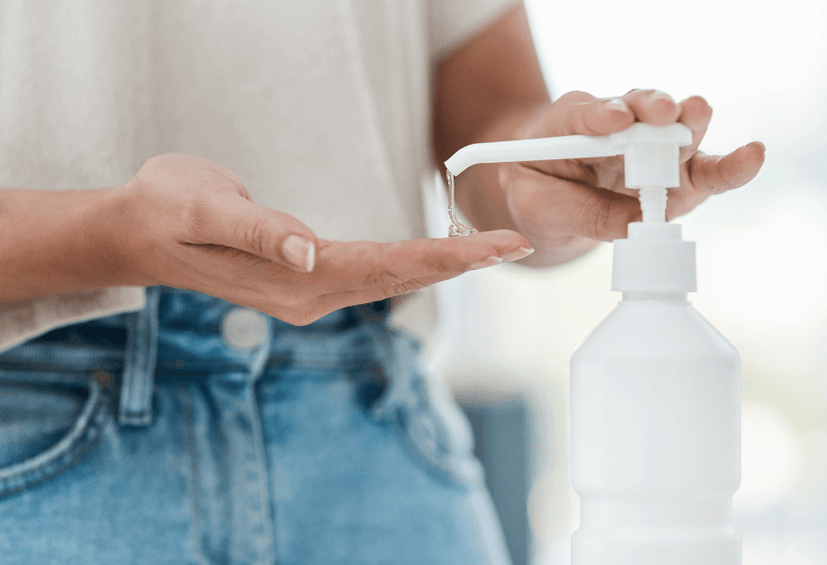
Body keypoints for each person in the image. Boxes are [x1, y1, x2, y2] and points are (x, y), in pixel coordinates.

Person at [0, 1, 765, 563]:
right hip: (37, 441)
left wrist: (544, 173)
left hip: (373, 425)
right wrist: (108, 235)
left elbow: (487, 128)